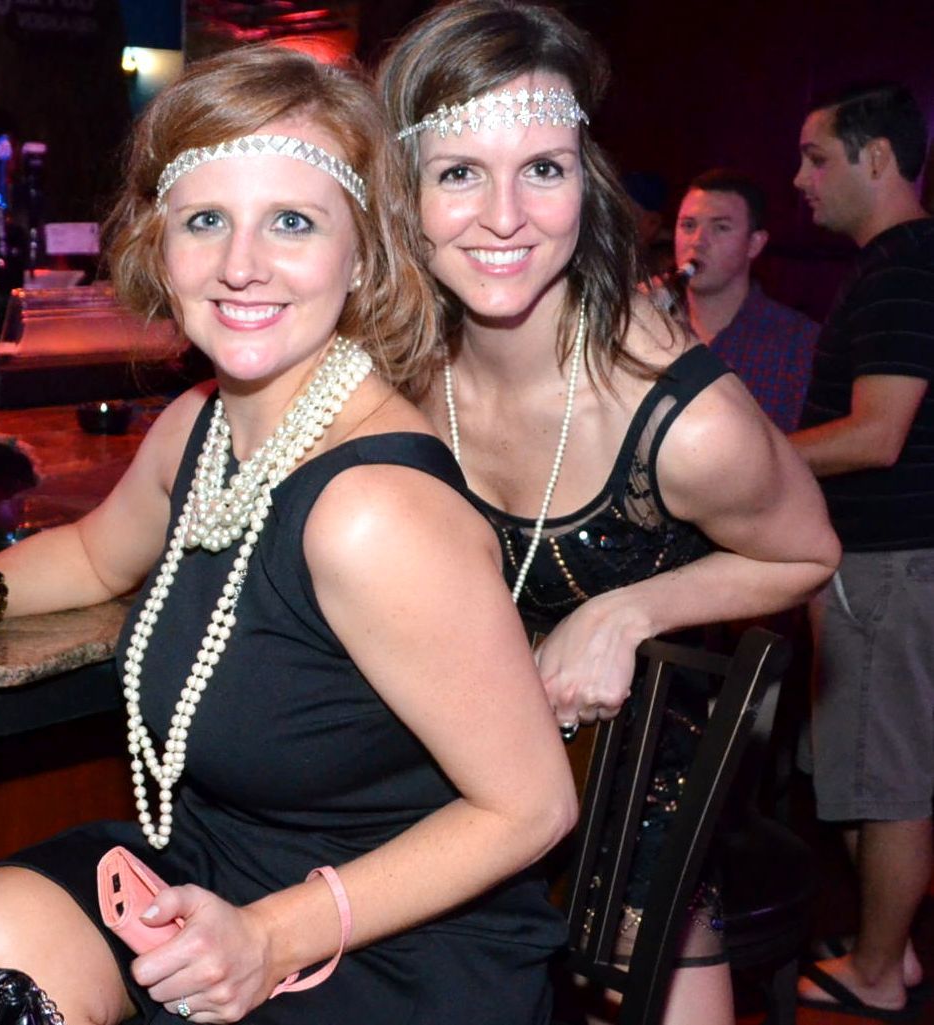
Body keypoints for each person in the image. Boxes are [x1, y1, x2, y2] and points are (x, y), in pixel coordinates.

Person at [0, 45, 578, 1025]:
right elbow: (99, 553)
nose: (241, 265)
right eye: (205, 220)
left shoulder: (372, 511)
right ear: (160, 245)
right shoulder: (201, 423)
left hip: (393, 940)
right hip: (215, 865)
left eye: (292, 221)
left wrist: (271, 935)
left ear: (363, 253)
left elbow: (532, 807)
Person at [376, 3, 840, 1024]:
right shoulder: (393, 364)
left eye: (542, 168)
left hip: (623, 803)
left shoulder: (682, 418)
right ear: (403, 190)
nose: (505, 216)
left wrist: (623, 611)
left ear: (583, 182)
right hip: (430, 777)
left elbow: (808, 551)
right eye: (460, 172)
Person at [789, 81, 934, 1021]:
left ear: (875, 157)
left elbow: (877, 435)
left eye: (815, 158)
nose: (799, 179)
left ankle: (878, 972)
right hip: (881, 563)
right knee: (859, 768)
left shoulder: (901, 268)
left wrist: (753, 461)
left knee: (887, 782)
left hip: (890, 562)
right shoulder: (898, 264)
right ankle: (891, 950)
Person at [674, 169, 819, 432]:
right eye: (688, 226)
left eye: (720, 228)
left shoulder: (797, 341)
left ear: (754, 244)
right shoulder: (652, 327)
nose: (698, 241)